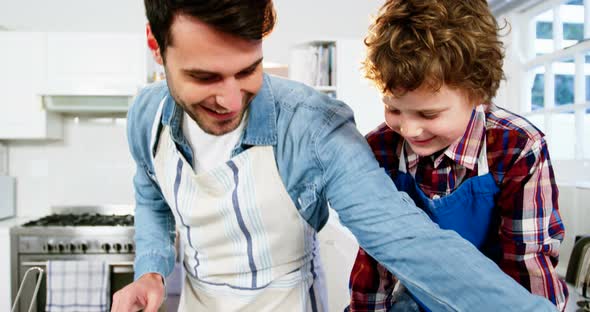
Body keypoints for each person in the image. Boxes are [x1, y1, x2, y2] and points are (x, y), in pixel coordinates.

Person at [111, 0, 557, 311]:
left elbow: (405, 241)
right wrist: (150, 270)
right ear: (156, 44)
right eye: (205, 76)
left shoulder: (313, 126)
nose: (229, 100)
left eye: (248, 71)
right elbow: (151, 197)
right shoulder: (145, 116)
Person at [348, 0, 569, 311]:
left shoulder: (518, 147)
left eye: (429, 114)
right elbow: (376, 259)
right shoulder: (379, 151)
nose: (409, 130)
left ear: (477, 93)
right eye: (393, 109)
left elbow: (527, 264)